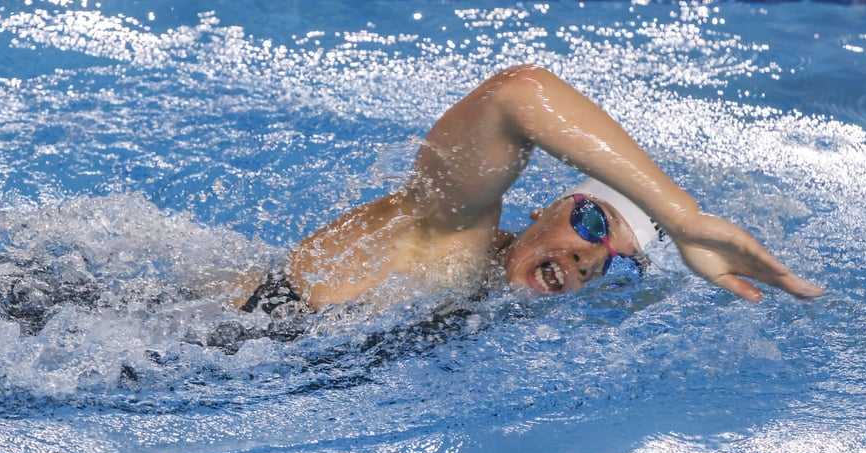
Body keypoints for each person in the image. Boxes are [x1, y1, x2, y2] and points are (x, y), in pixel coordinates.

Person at [238, 64, 824, 317]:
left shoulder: (492, 305)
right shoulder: (448, 235)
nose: (588, 258)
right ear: (547, 207)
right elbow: (517, 94)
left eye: (618, 266)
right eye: (592, 223)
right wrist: (682, 216)